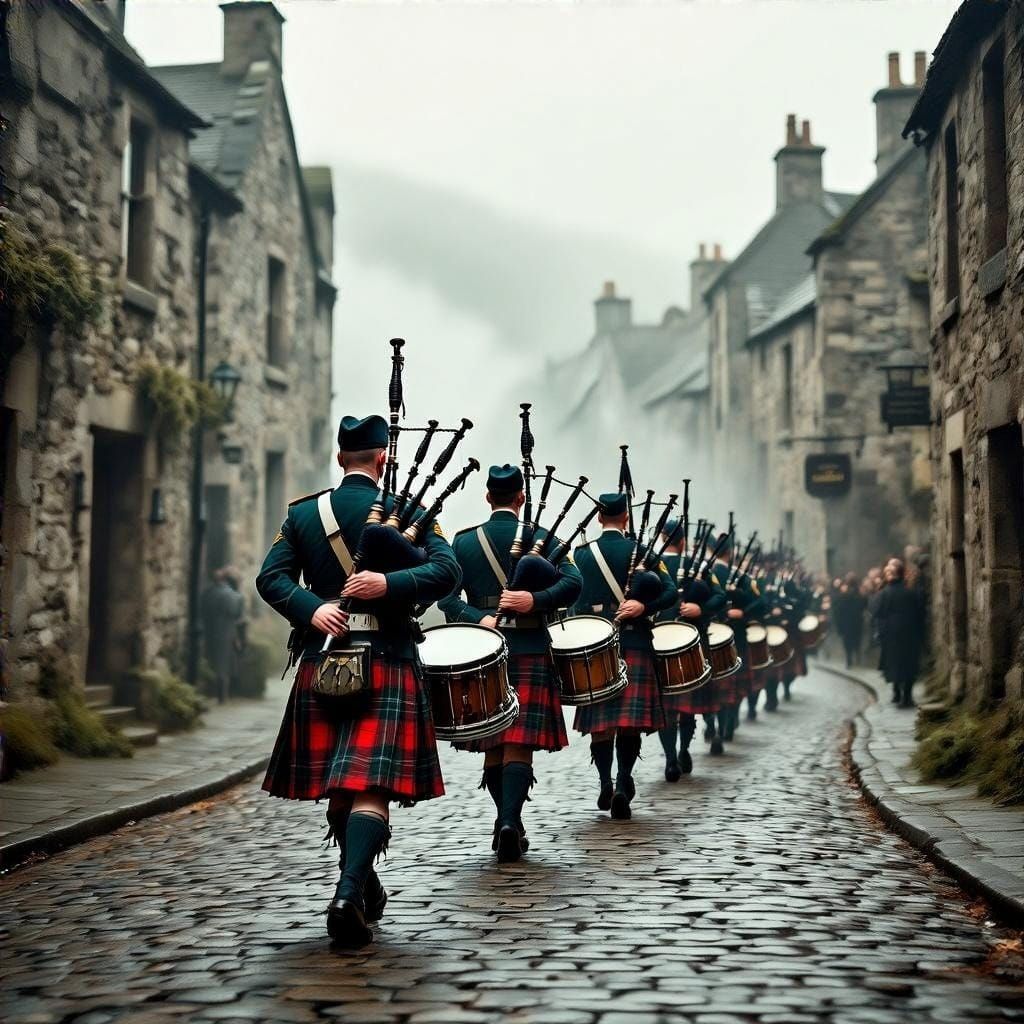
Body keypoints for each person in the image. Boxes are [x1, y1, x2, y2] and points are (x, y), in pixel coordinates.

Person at [256, 414, 461, 948]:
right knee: (369, 783)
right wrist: (390, 583)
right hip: (387, 658)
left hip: (324, 660)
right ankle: (349, 895)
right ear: (384, 458)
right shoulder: (408, 511)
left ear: (341, 456)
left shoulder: (302, 514)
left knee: (340, 782)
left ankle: (358, 884)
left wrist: (312, 609)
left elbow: (270, 577)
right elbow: (447, 573)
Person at [438, 463, 583, 862]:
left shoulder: (464, 542)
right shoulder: (544, 539)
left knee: (493, 741)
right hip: (531, 649)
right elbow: (574, 584)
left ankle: (504, 820)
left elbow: (447, 600)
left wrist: (478, 619)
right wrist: (534, 601)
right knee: (518, 743)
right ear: (521, 497)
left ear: (488, 497)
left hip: (482, 652)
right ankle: (509, 820)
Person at [572, 492, 676, 819]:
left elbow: (574, 602)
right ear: (626, 518)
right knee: (628, 724)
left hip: (595, 646)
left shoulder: (582, 554)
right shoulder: (641, 552)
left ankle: (604, 781)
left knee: (601, 724)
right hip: (635, 643)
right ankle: (622, 781)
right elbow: (671, 593)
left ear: (599, 518)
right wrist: (644, 606)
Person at [655, 518, 715, 779]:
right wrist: (703, 609)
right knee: (685, 704)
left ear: (661, 536)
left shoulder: (648, 563)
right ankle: (677, 753)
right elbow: (721, 597)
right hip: (683, 641)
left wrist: (699, 608)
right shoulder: (650, 563)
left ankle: (674, 755)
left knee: (670, 704)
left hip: (661, 641)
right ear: (682, 541)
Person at [874, 559, 925, 708]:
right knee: (909, 663)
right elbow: (920, 613)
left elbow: (877, 612)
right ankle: (907, 696)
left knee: (895, 663)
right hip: (910, 633)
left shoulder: (884, 594)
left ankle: (898, 693)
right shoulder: (911, 592)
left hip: (891, 634)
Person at [200, 566, 245, 703]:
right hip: (227, 633)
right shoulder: (236, 597)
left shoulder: (207, 593)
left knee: (213, 661)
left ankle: (211, 692)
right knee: (224, 664)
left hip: (208, 631)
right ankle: (222, 696)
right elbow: (239, 617)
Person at [832, 572, 866, 668]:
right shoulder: (860, 594)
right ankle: (857, 658)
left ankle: (849, 659)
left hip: (847, 622)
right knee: (857, 639)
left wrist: (839, 625)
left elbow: (839, 609)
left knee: (847, 641)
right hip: (857, 621)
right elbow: (863, 605)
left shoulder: (844, 594)